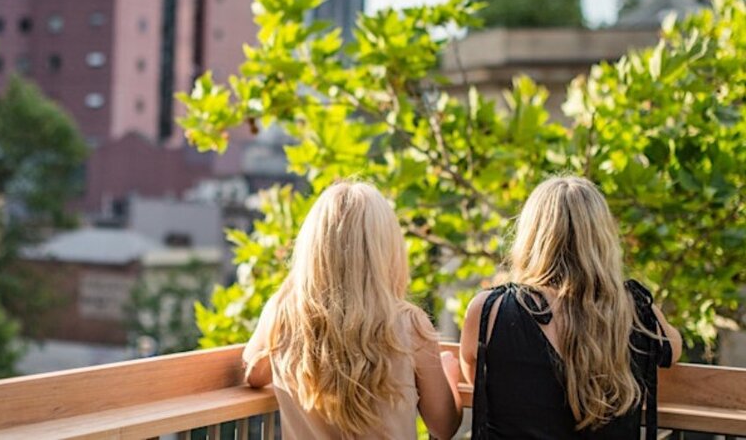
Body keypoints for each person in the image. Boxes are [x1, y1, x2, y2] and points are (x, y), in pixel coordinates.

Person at [459, 176, 683, 439]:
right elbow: (673, 349)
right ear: (602, 239)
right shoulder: (637, 312)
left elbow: (477, 378)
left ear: (531, 237)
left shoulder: (488, 311)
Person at [243, 181, 462, 440]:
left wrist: (295, 285)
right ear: (386, 249)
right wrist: (450, 371)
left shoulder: (284, 314)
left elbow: (253, 373)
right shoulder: (409, 324)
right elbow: (444, 426)